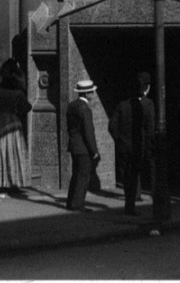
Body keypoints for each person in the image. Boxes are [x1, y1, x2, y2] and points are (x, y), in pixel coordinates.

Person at [0, 60, 32, 196]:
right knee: (14, 153)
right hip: (13, 123)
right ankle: (13, 182)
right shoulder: (18, 92)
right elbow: (27, 108)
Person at [109, 71, 156, 214]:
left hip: (124, 146)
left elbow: (112, 126)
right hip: (138, 146)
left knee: (126, 176)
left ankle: (129, 204)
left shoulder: (122, 105)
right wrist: (150, 147)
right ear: (147, 87)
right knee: (135, 174)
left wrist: (119, 140)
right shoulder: (147, 105)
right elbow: (150, 129)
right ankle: (133, 205)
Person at [65, 78, 100, 212]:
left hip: (74, 144)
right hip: (83, 147)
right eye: (91, 91)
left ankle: (70, 202)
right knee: (83, 176)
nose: (93, 94)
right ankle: (77, 204)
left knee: (76, 174)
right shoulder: (85, 109)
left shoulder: (72, 105)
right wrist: (94, 150)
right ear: (86, 93)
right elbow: (88, 131)